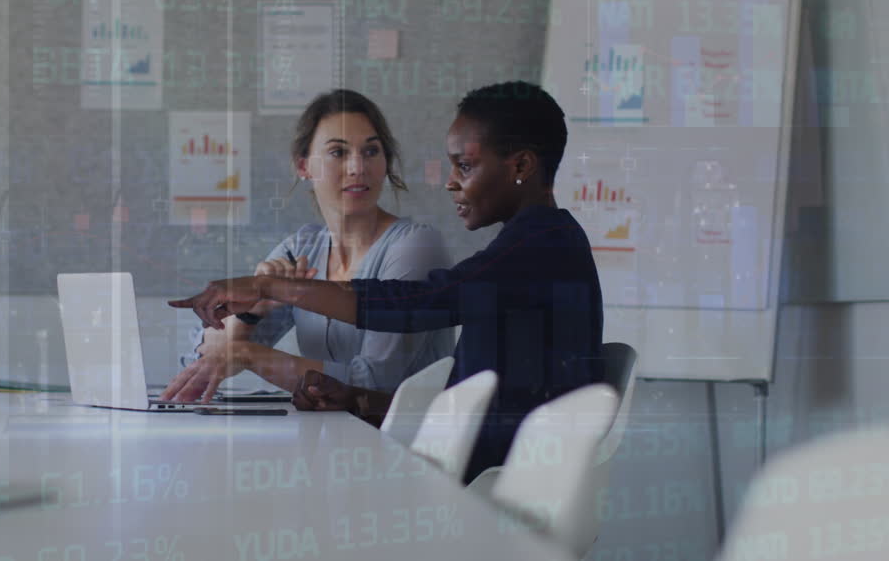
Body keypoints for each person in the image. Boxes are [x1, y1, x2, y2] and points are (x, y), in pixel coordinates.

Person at [169, 81, 604, 484]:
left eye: (465, 166)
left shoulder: (540, 245)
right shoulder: (534, 241)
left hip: (484, 489)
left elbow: (416, 303)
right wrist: (355, 400)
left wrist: (271, 289)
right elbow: (456, 401)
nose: (451, 181)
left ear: (521, 166)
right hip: (465, 471)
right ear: (304, 166)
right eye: (338, 153)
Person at [160, 89, 454, 404]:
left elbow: (376, 384)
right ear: (303, 167)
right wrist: (253, 312)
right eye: (338, 152)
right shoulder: (302, 248)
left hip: (405, 433)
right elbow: (204, 359)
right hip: (332, 430)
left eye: (371, 151)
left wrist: (249, 354)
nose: (357, 167)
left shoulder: (416, 246)